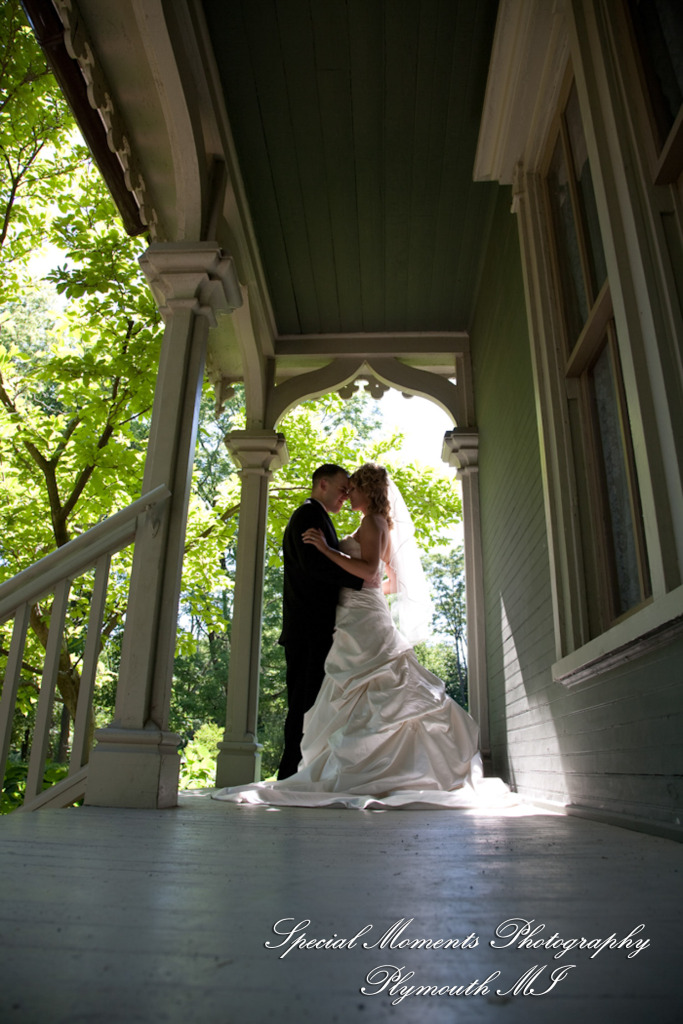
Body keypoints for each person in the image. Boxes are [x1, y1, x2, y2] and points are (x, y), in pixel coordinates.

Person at [213, 463, 513, 809]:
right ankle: (363, 767)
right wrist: (366, 591)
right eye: (344, 487)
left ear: (366, 490)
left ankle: (367, 771)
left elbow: (370, 572)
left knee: (368, 688)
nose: (347, 493)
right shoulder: (363, 522)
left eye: (352, 487)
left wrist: (330, 553)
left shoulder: (372, 523)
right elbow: (389, 581)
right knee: (354, 694)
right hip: (355, 615)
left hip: (360, 618)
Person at [277, 463, 363, 779]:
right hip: (308, 629)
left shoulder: (319, 517)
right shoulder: (308, 515)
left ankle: (304, 772)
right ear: (322, 484)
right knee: (304, 704)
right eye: (343, 489)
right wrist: (361, 580)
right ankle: (289, 775)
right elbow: (315, 567)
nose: (346, 495)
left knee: (313, 703)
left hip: (313, 628)